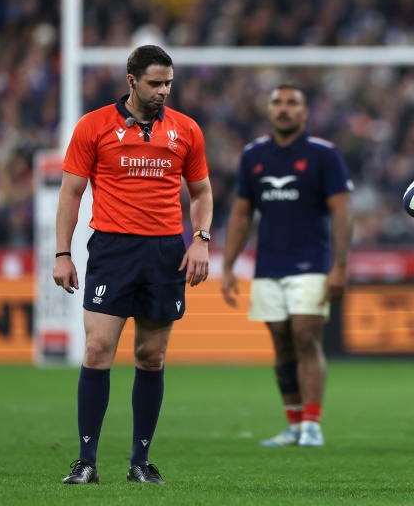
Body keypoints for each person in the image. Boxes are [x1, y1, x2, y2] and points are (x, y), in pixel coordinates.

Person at [53, 45, 213, 484]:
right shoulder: (94, 126)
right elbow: (71, 193)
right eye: (155, 83)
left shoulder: (186, 130)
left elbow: (201, 192)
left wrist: (200, 240)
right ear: (131, 81)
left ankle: (140, 462)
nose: (163, 91)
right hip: (112, 249)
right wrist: (63, 252)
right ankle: (86, 461)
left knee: (150, 355)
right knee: (98, 349)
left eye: (168, 84)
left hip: (164, 252)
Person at [221, 84, 353, 448]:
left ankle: (312, 423)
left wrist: (339, 266)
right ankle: (293, 424)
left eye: (292, 103)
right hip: (268, 265)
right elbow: (242, 213)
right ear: (268, 110)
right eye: (277, 102)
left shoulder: (324, 155)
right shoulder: (253, 156)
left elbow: (342, 212)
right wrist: (229, 265)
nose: (283, 109)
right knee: (281, 342)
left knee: (306, 338)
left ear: (305, 112)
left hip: (311, 264)